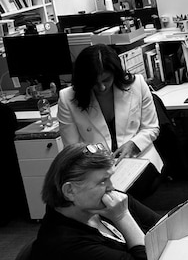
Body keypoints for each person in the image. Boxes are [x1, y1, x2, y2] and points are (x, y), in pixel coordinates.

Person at [28, 143, 161, 260]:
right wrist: (122, 217)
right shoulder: (63, 244)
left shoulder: (102, 202)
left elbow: (165, 228)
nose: (112, 187)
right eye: (103, 181)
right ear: (70, 191)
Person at [58, 44, 163, 190]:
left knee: (123, 192)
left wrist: (133, 144)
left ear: (115, 73)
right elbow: (72, 150)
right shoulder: (67, 98)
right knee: (103, 193)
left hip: (138, 160)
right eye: (94, 83)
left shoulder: (137, 85)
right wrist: (96, 160)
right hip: (95, 168)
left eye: (106, 80)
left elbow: (151, 128)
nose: (101, 87)